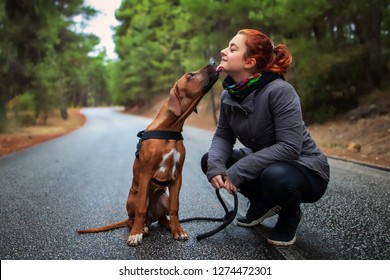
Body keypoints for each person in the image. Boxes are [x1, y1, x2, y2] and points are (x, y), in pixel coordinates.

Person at [201, 29, 330, 246]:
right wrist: (216, 166)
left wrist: (238, 171)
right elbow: (223, 136)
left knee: (275, 176)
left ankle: (290, 215)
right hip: (267, 161)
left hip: (305, 168)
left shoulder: (280, 91)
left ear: (249, 62)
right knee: (210, 160)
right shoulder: (229, 94)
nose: (223, 51)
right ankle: (262, 203)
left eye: (232, 49)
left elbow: (290, 148)